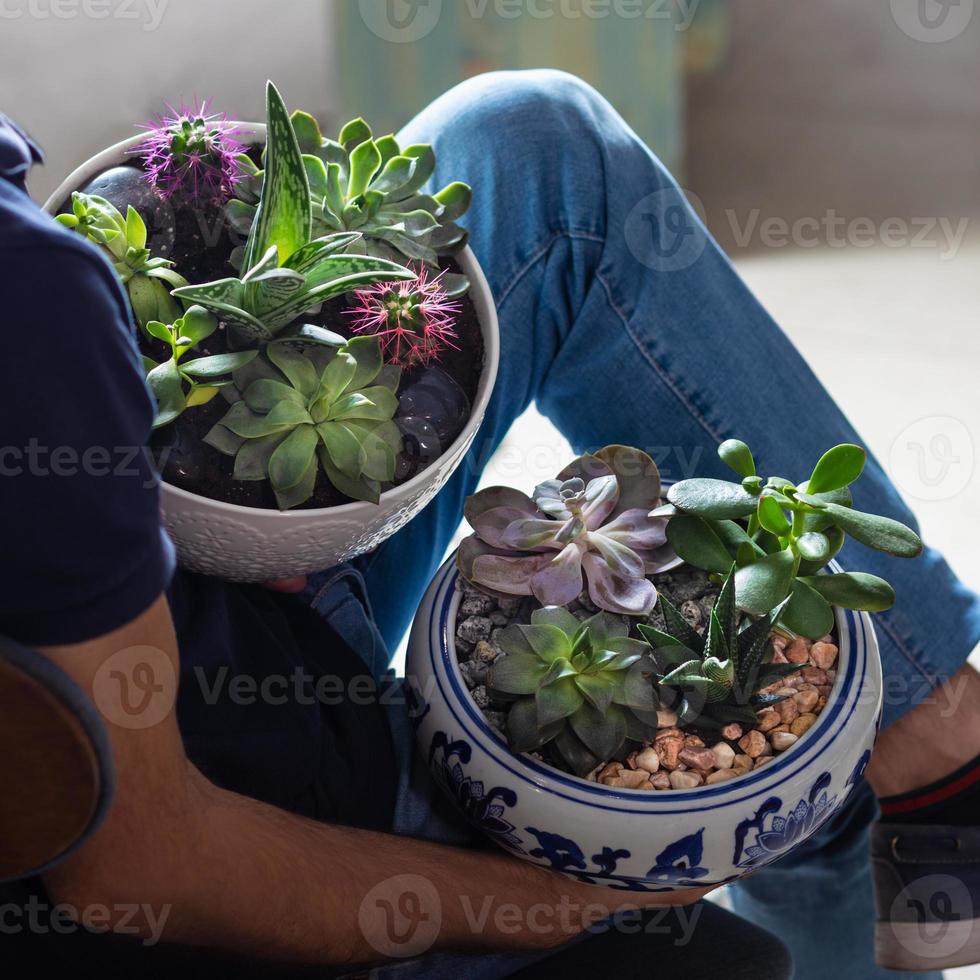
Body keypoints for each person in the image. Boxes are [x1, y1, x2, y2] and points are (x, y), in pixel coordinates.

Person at [0, 69, 977, 979]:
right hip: (263, 749)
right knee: (780, 825)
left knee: (532, 147)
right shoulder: (32, 294)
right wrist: (554, 900)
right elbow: (143, 864)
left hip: (196, 598)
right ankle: (918, 789)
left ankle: (926, 734)